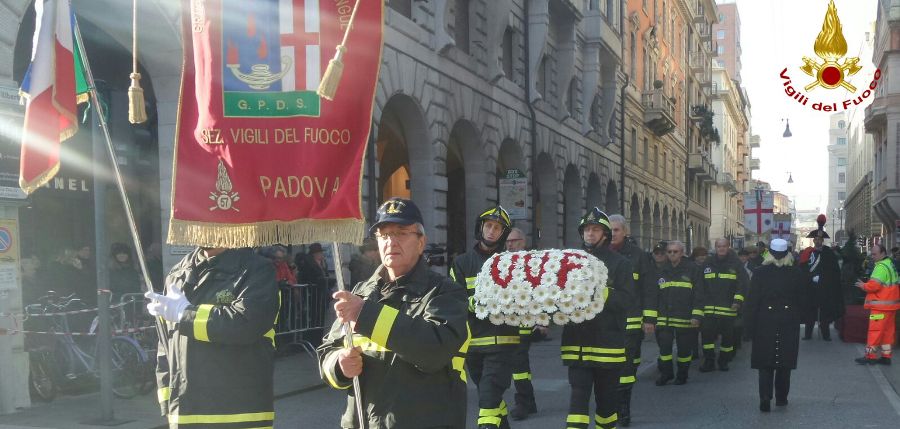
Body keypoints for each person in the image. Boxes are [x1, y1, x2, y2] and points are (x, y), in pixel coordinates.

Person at [318, 197, 469, 428]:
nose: (391, 242)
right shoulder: (361, 293)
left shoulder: (445, 293)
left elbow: (434, 350)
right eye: (384, 235)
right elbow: (327, 351)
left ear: (421, 242)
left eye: (401, 233)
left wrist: (365, 314)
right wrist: (338, 366)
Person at [145, 247, 279, 427]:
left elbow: (245, 325)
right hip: (184, 412)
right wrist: (167, 398)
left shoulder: (256, 269)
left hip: (238, 413)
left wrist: (185, 315)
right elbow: (166, 345)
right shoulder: (177, 273)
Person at [561, 208, 635, 429]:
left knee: (606, 406)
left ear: (605, 235)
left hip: (608, 346)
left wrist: (599, 291)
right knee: (577, 400)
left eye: (595, 229)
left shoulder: (620, 264)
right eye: (586, 230)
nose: (590, 234)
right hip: (577, 345)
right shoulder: (569, 260)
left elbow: (626, 301)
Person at [451, 206, 518, 429]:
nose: (491, 231)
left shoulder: (513, 263)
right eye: (488, 226)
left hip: (503, 343)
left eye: (497, 228)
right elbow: (454, 299)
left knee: (488, 400)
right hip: (474, 344)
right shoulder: (461, 263)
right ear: (481, 228)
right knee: (490, 397)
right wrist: (475, 303)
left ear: (503, 234)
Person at [743, 239, 803, 412]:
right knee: (784, 362)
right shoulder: (796, 273)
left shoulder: (759, 272)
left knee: (765, 362)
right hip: (788, 320)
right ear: (787, 253)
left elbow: (752, 302)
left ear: (769, 252)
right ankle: (781, 397)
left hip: (764, 321)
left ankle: (765, 396)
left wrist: (748, 327)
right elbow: (802, 300)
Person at [608, 214, 653, 427]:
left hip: (631, 323)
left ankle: (623, 409)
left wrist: (649, 318)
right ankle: (610, 406)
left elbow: (649, 289)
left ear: (625, 232)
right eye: (609, 230)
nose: (612, 234)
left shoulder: (639, 256)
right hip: (605, 323)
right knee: (607, 368)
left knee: (627, 368)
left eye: (616, 230)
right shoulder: (598, 254)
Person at [505, 227, 546, 421]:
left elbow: (543, 290)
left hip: (526, 321)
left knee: (518, 363)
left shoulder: (534, 263)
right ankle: (528, 401)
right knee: (517, 363)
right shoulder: (502, 260)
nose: (510, 244)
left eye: (514, 241)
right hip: (506, 320)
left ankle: (522, 402)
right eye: (508, 241)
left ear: (523, 241)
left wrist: (542, 320)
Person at [652, 240, 704, 386]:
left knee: (684, 350)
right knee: (664, 348)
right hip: (664, 317)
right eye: (669, 252)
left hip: (685, 317)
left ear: (681, 253)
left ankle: (682, 375)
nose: (672, 254)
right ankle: (667, 373)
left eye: (675, 251)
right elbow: (655, 294)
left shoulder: (692, 269)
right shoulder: (661, 270)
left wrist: (697, 315)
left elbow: (699, 294)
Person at [699, 239, 748, 372]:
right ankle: (709, 361)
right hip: (709, 309)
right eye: (719, 246)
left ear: (728, 247)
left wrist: (737, 302)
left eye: (724, 246)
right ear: (715, 247)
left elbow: (742, 285)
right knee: (707, 338)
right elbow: (700, 284)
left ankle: (723, 361)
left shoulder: (736, 264)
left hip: (728, 309)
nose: (721, 249)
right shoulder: (707, 263)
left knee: (727, 338)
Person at [798, 215, 844, 341]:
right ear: (813, 240)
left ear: (822, 241)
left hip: (825, 288)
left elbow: (834, 271)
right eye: (816, 239)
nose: (818, 241)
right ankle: (808, 334)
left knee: (824, 312)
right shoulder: (807, 252)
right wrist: (810, 277)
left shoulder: (828, 253)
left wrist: (823, 277)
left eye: (820, 239)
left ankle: (826, 334)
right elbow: (802, 269)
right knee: (810, 312)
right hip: (810, 288)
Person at [854, 244, 900, 365]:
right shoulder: (890, 264)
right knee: (887, 333)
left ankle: (870, 356)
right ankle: (886, 356)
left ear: (883, 253)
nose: (872, 256)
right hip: (891, 306)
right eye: (872, 253)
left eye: (875, 254)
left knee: (875, 331)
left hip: (880, 307)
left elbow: (874, 286)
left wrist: (863, 285)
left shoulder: (880, 267)